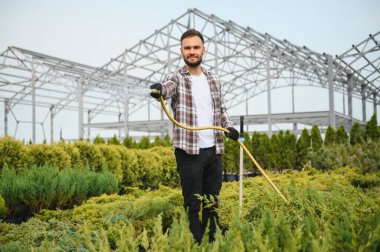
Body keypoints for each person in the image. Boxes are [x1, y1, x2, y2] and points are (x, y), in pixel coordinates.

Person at [150, 29, 239, 244]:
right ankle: (194, 243)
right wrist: (160, 90)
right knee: (192, 203)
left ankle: (211, 241)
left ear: (203, 49)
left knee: (212, 201)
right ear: (181, 51)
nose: (192, 52)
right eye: (187, 48)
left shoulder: (213, 78)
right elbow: (168, 87)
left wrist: (230, 128)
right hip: (189, 151)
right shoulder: (177, 78)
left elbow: (220, 108)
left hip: (214, 150)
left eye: (196, 47)